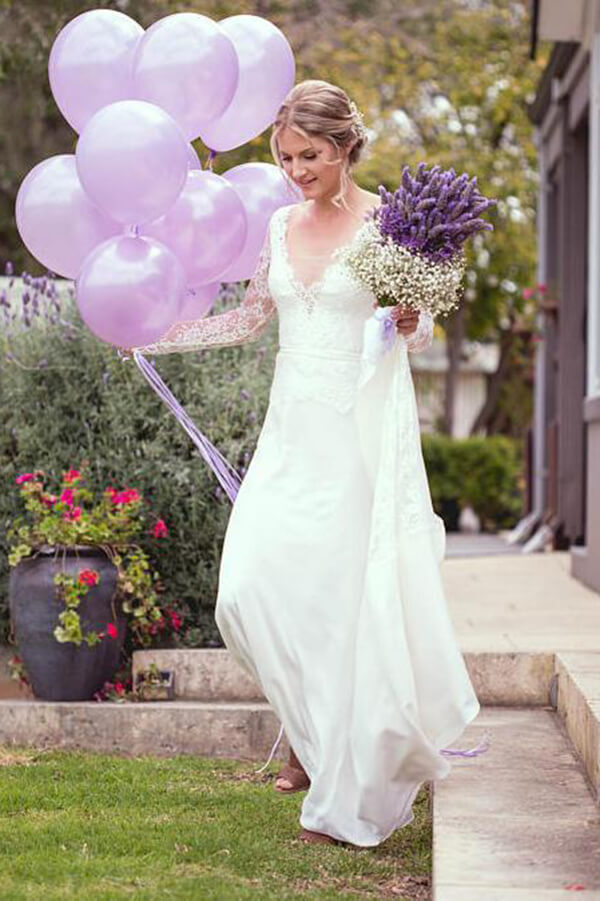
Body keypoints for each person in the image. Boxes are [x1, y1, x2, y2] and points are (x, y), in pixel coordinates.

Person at [133, 79, 481, 848]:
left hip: (354, 437)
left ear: (346, 146)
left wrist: (412, 317)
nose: (297, 170)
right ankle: (310, 729)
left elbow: (415, 331)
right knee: (245, 588)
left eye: (311, 155)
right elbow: (253, 316)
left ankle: (343, 785)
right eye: (287, 156)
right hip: (290, 436)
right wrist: (158, 331)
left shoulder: (392, 223)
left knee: (340, 610)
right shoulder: (282, 223)